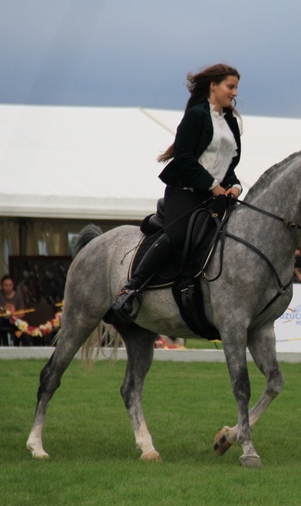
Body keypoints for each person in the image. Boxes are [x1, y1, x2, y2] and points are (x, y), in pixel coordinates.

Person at [112, 63, 243, 321]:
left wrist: (235, 185)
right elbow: (184, 157)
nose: (235, 93)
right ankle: (131, 288)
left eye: (236, 88)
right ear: (213, 86)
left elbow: (228, 164)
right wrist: (212, 185)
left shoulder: (230, 122)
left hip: (215, 196)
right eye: (231, 87)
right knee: (177, 235)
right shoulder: (196, 115)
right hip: (185, 191)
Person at [0, 275, 27, 346]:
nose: (8, 287)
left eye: (10, 285)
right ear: (2, 286)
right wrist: (4, 310)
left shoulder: (18, 295)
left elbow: (22, 313)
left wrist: (13, 313)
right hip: (2, 319)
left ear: (13, 286)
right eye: (5, 285)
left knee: (23, 324)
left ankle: (23, 345)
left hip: (15, 319)